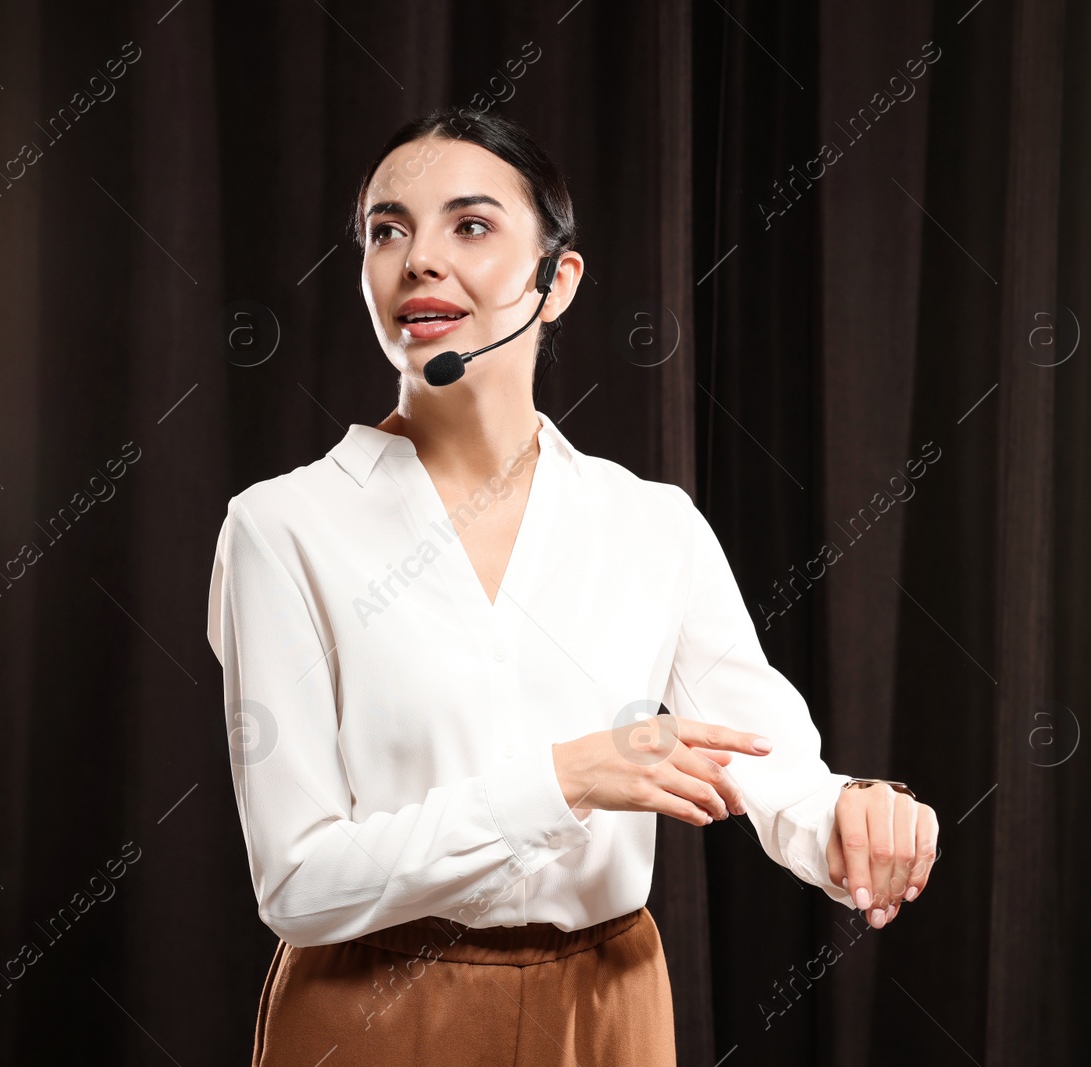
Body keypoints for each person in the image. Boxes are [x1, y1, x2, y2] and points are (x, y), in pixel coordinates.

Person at [205, 107, 939, 1067]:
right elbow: (298, 881)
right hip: (372, 1015)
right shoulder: (281, 527)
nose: (419, 259)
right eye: (388, 230)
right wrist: (563, 780)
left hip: (607, 1014)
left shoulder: (652, 523)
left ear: (558, 282)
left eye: (470, 225)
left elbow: (774, 768)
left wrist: (853, 815)